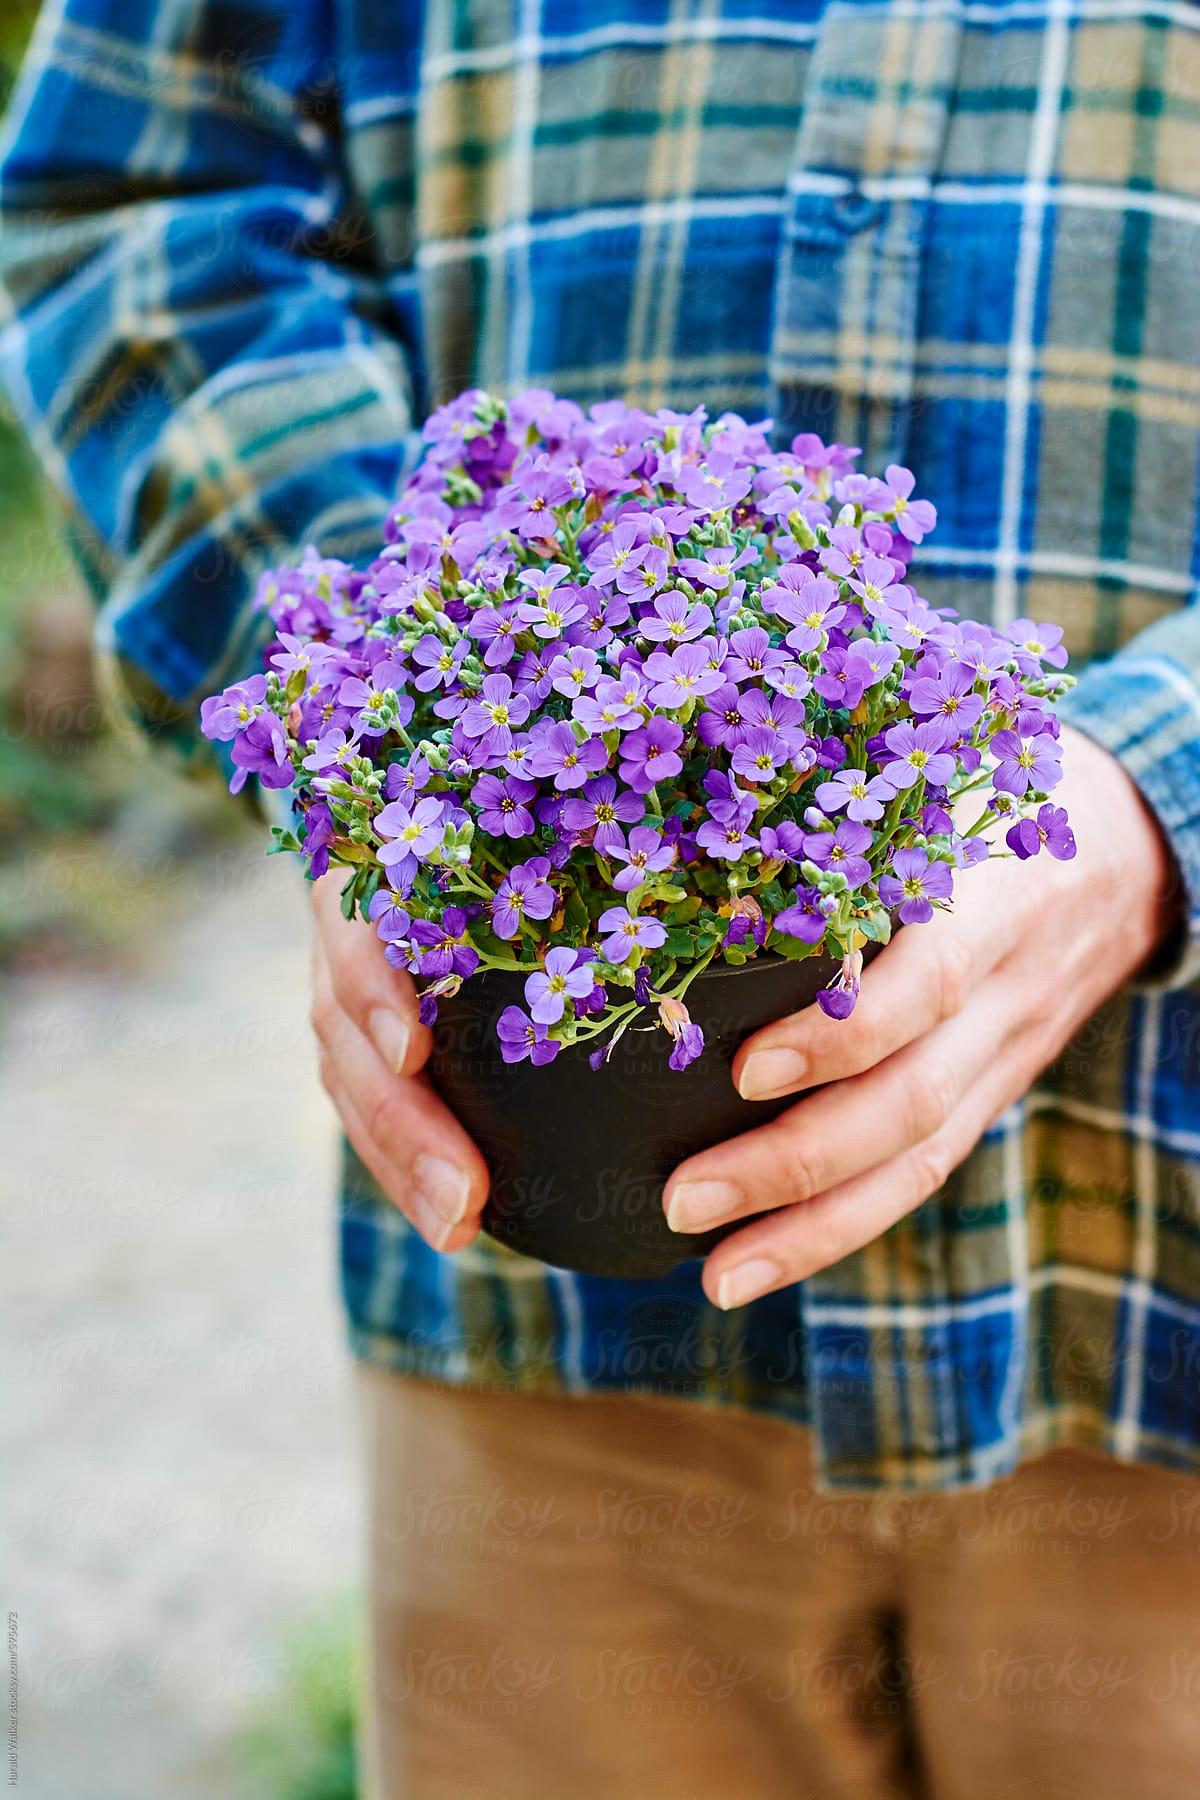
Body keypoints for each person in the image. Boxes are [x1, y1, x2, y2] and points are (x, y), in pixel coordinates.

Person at [4, 3, 1200, 1795]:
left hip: (1149, 1293)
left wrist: (1157, 796)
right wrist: (360, 688)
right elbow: (145, 175)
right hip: (549, 1316)